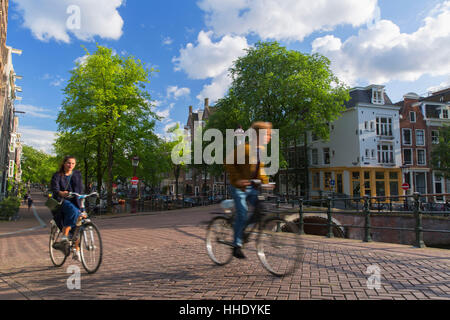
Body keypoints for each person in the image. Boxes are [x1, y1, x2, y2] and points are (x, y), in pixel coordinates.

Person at [225, 122, 274, 259]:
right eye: (267, 134)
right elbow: (228, 162)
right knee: (242, 212)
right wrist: (238, 179)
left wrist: (266, 183)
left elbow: (260, 172)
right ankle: (237, 245)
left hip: (251, 188)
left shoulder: (259, 151)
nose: (269, 137)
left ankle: (242, 230)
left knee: (261, 210)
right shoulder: (244, 148)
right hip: (239, 187)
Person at [50, 156, 85, 260]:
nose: (71, 165)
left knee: (78, 225)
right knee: (73, 211)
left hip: (76, 201)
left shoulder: (77, 175)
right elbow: (55, 189)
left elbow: (80, 189)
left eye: (73, 163)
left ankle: (76, 250)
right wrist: (61, 192)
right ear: (64, 163)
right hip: (62, 201)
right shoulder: (57, 175)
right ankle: (64, 237)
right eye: (68, 163)